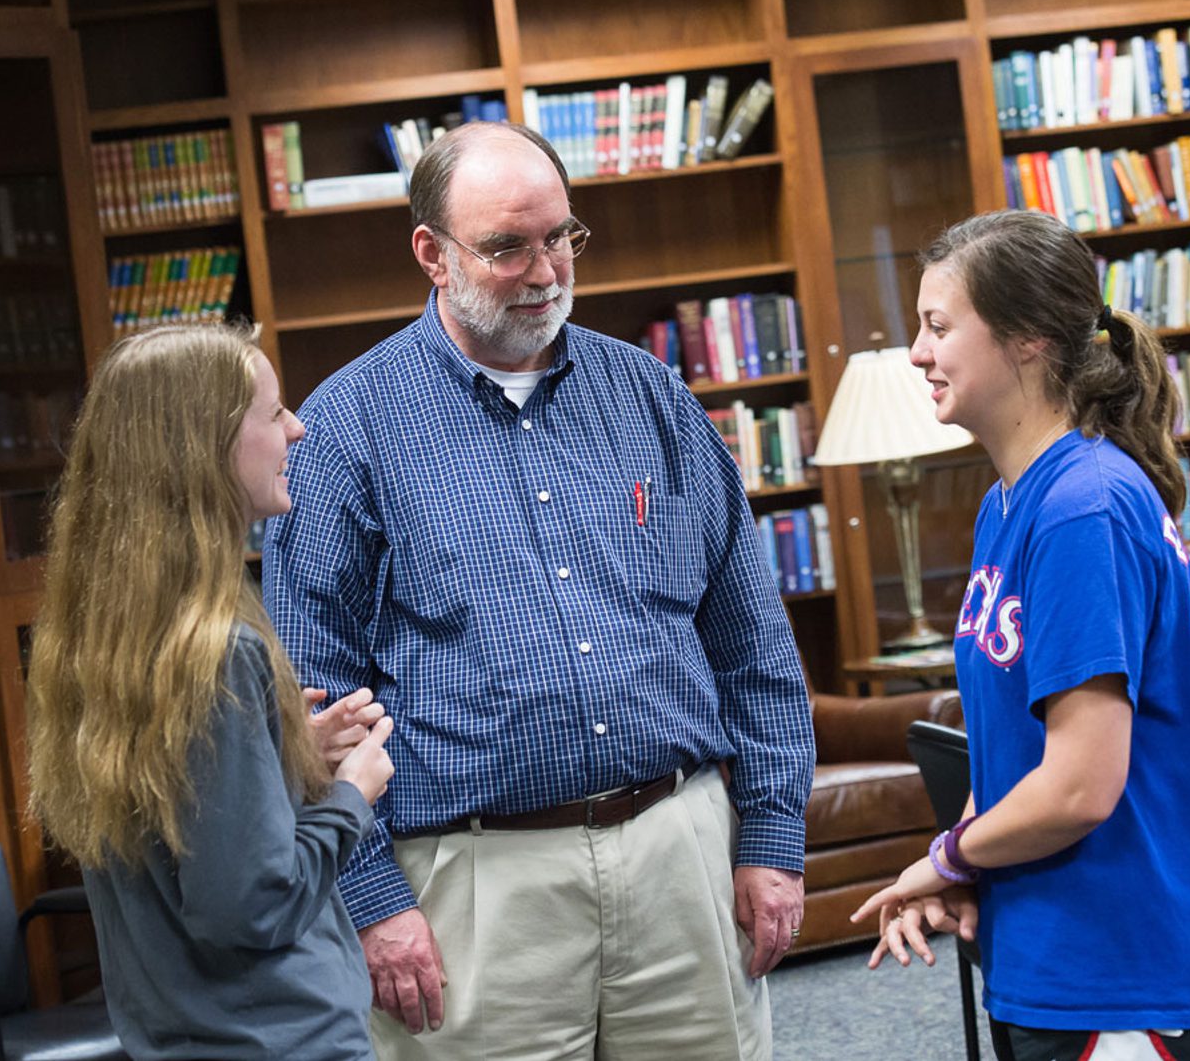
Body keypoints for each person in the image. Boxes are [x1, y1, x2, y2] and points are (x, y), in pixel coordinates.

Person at [263, 120, 816, 1060]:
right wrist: (372, 901)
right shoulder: (346, 431)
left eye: (561, 236)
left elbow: (749, 637)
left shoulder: (649, 394)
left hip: (681, 847)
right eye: (507, 247)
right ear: (431, 254)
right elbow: (311, 701)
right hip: (476, 884)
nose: (546, 269)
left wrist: (771, 832)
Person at [850, 210, 1190, 1061]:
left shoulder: (1081, 508)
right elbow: (1017, 755)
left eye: (939, 326)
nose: (917, 352)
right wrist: (968, 861)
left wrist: (949, 857)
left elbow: (1077, 788)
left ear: (1027, 339)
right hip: (1049, 953)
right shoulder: (1011, 503)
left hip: (1116, 962)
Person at [25, 323, 395, 1060]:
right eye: (273, 413)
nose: (298, 427)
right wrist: (351, 794)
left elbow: (182, 828)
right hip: (283, 1040)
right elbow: (248, 908)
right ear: (204, 447)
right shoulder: (221, 652)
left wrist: (284, 764)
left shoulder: (102, 641)